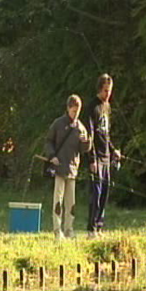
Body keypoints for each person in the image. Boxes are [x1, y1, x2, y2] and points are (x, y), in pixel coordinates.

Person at [45, 95, 91, 239]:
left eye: (77, 112)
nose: (75, 114)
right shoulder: (58, 124)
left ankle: (69, 229)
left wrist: (87, 142)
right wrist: (52, 156)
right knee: (58, 200)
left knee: (71, 203)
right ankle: (57, 230)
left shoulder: (81, 127)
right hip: (59, 167)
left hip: (72, 169)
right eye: (73, 111)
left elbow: (84, 149)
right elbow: (48, 141)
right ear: (68, 108)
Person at [85, 74, 121, 238]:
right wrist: (91, 159)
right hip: (96, 157)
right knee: (96, 193)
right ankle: (91, 228)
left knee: (105, 193)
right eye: (106, 90)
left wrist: (114, 150)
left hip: (107, 156)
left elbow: (106, 134)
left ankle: (100, 226)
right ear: (100, 88)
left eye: (110, 91)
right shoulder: (92, 107)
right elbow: (90, 136)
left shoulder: (107, 107)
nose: (108, 94)